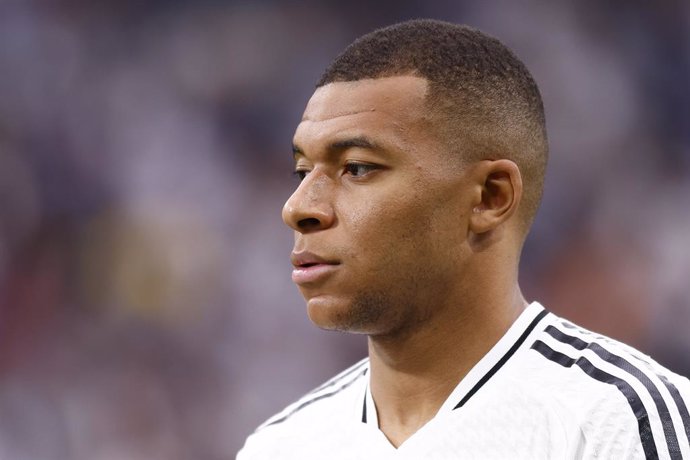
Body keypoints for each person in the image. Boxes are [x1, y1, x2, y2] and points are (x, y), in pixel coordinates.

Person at [238, 19, 690, 459]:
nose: (298, 207)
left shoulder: (618, 423)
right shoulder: (281, 445)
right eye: (302, 171)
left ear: (490, 197)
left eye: (357, 167)